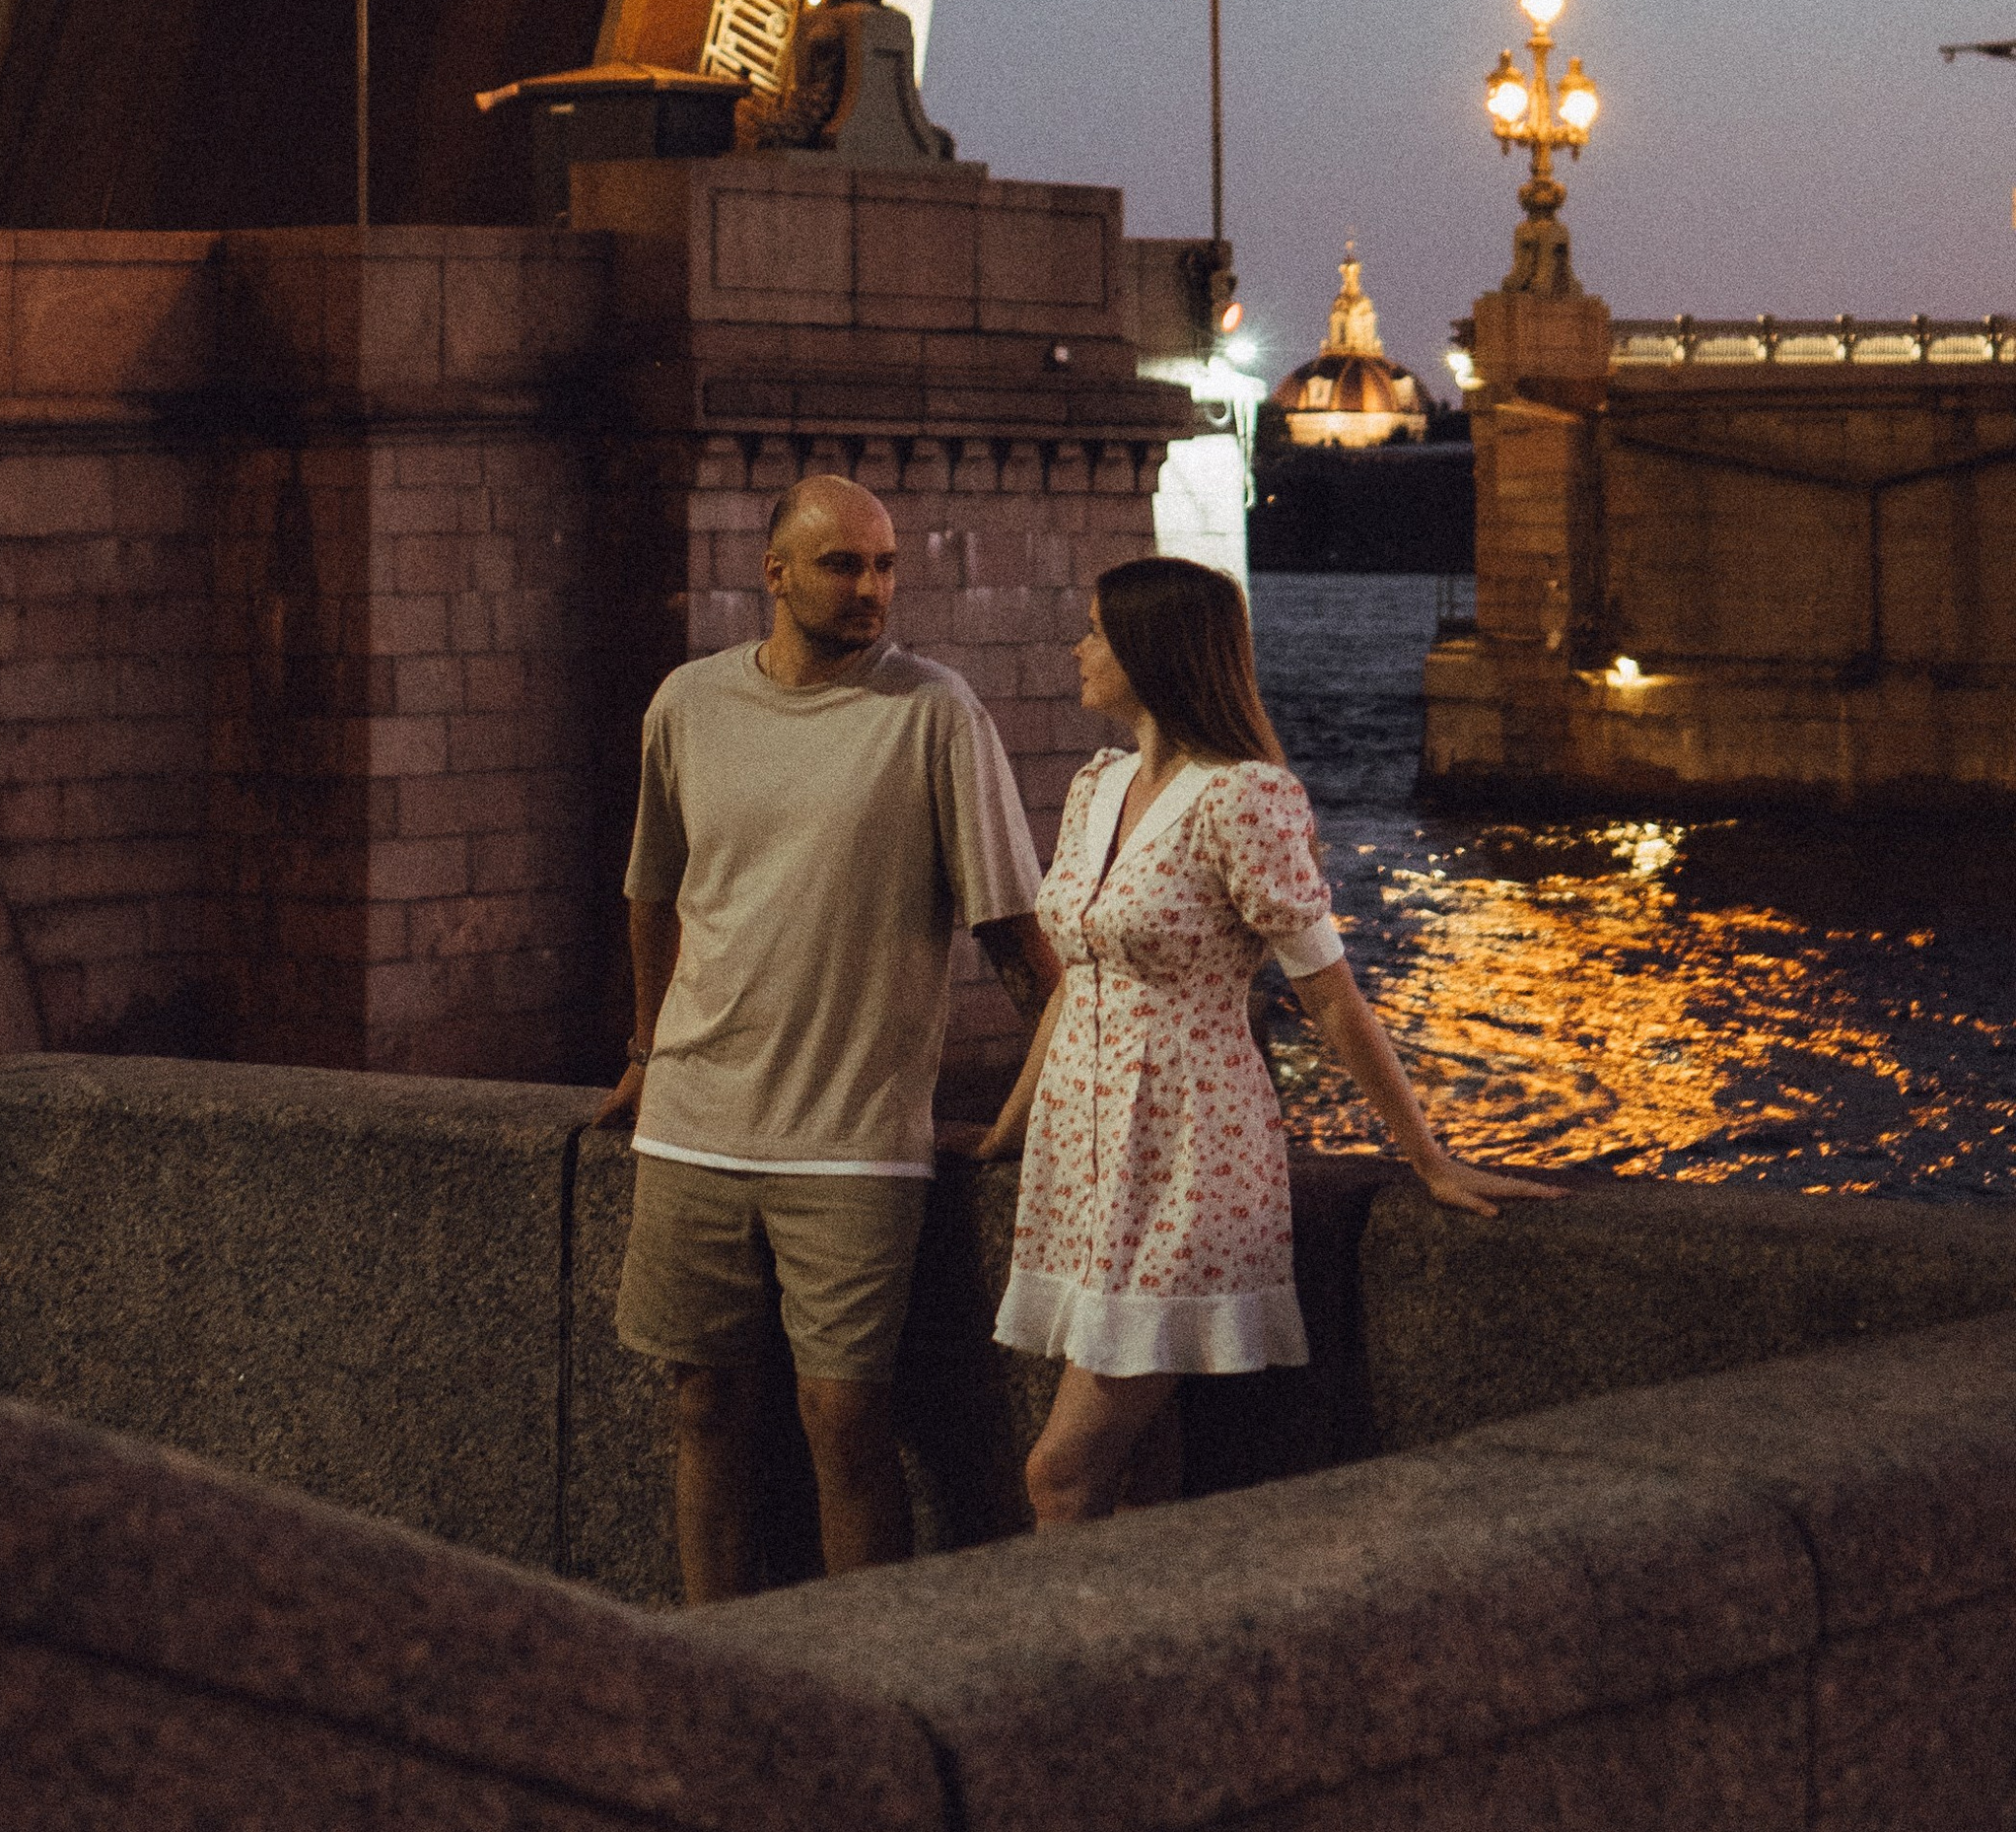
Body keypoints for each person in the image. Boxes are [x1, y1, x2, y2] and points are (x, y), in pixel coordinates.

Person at [981, 553, 1562, 1523]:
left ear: (1152, 652)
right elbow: (1079, 978)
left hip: (1186, 1154)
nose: (1077, 648)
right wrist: (1005, 1129)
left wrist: (1427, 1156)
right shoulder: (1098, 785)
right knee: (1141, 1459)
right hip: (1082, 1156)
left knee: (1061, 1472)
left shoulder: (1242, 799)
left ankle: (1070, 1666)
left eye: (1095, 631)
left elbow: (1332, 999)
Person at [599, 471, 1054, 1602]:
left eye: (886, 565)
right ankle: (713, 1653)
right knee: (702, 1403)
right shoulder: (688, 705)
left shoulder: (935, 712)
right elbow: (652, 892)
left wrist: (1048, 1101)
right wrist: (645, 1054)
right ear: (776, 574)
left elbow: (1012, 933)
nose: (872, 588)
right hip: (694, 1127)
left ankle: (863, 1668)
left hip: (852, 1141)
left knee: (846, 1420)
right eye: (845, 565)